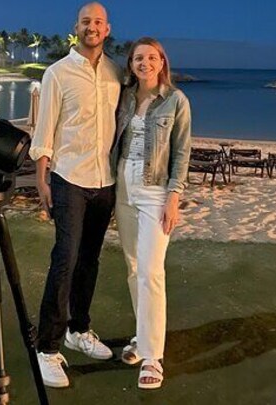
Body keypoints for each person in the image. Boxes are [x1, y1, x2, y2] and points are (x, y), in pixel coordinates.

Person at [30, 2, 123, 388]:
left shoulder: (116, 73)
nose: (92, 27)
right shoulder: (57, 73)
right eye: (86, 21)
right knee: (64, 260)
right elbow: (45, 128)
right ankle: (47, 348)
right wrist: (41, 179)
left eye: (98, 21)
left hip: (105, 182)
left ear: (107, 28)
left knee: (90, 260)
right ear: (77, 27)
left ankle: (78, 330)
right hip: (69, 178)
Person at [111, 37, 191, 390]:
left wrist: (174, 196)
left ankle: (153, 358)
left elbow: (182, 152)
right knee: (132, 269)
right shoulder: (125, 96)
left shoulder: (176, 100)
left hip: (155, 192)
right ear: (130, 64)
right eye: (138, 58)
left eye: (151, 57)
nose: (145, 63)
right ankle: (143, 339)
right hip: (122, 188)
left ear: (162, 62)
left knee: (150, 271)